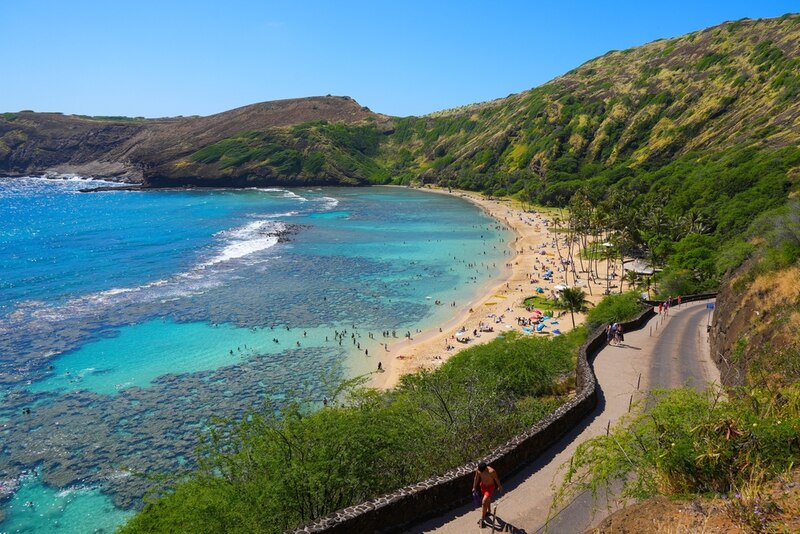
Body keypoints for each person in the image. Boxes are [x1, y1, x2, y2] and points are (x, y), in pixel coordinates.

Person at [473, 461, 502, 527]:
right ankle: (489, 511)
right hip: (483, 487)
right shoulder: (479, 469)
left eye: (482, 471)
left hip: (490, 488)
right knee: (487, 499)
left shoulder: (492, 471)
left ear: (486, 468)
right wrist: (474, 487)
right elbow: (476, 478)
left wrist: (499, 486)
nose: (481, 472)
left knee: (484, 501)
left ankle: (482, 519)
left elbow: (496, 479)